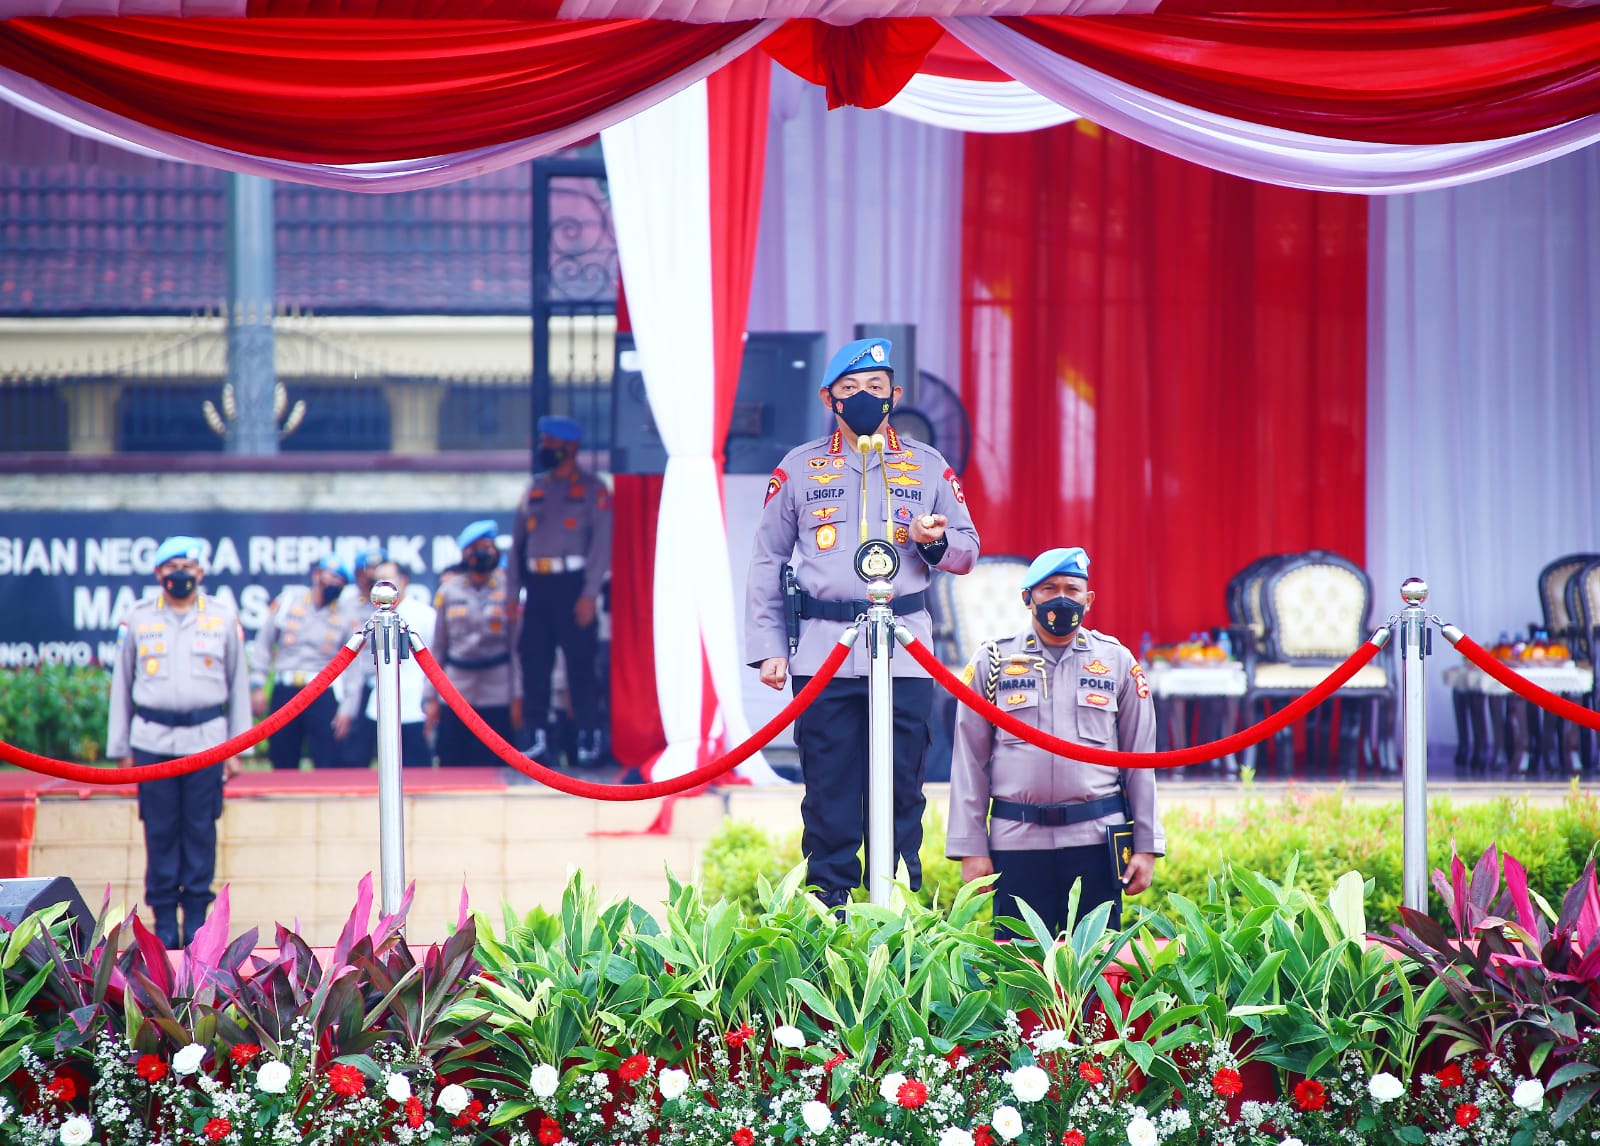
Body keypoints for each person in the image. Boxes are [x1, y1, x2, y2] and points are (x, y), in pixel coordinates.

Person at [745, 336, 979, 909]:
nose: (865, 397)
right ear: (829, 398)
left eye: (876, 387)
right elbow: (768, 558)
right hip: (824, 650)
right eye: (850, 388)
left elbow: (967, 551)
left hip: (905, 651)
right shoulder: (800, 468)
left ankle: (895, 917)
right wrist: (769, 646)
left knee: (900, 792)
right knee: (829, 794)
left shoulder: (927, 465)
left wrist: (934, 540)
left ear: (895, 395)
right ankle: (831, 918)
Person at [946, 546, 1164, 935]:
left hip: (1096, 841)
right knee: (1020, 963)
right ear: (1027, 597)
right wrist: (971, 848)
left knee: (1095, 962)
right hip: (1017, 842)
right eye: (1048, 589)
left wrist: (1146, 845)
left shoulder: (1116, 661)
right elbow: (969, 762)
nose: (1062, 599)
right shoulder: (992, 661)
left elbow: (1140, 761)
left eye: (1072, 589)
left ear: (1088, 599)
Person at [106, 536, 251, 948]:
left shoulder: (222, 617)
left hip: (208, 742)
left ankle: (198, 921)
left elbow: (238, 684)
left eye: (187, 566)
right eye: (171, 567)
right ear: (158, 573)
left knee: (201, 828)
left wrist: (239, 748)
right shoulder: (138, 618)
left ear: (201, 572)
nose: (180, 574)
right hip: (152, 741)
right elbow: (122, 684)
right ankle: (165, 920)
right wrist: (121, 748)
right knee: (160, 829)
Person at [511, 415, 612, 766]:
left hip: (574, 585)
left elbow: (601, 546)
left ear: (571, 447)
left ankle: (588, 736)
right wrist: (512, 593)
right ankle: (537, 736)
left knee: (581, 664)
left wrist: (589, 594)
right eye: (544, 442)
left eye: (551, 443)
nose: (545, 448)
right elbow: (517, 546)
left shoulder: (593, 490)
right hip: (537, 584)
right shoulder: (534, 489)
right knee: (534, 662)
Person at [250, 553, 359, 770]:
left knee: (327, 759)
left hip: (322, 689)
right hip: (286, 687)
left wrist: (348, 708)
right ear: (317, 575)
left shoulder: (346, 614)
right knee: (282, 756)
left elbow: (354, 666)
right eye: (331, 577)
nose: (335, 584)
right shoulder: (288, 602)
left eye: (341, 581)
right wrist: (257, 684)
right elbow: (263, 644)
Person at [427, 519, 522, 766]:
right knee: (452, 761)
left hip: (498, 688)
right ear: (464, 554)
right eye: (475, 548)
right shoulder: (448, 591)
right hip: (457, 687)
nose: (481, 553)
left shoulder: (509, 590)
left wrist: (518, 696)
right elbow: (438, 647)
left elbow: (517, 650)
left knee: (497, 763)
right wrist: (432, 697)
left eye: (487, 547)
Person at [335, 560, 437, 768]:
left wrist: (431, 700)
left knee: (418, 771)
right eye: (377, 580)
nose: (381, 585)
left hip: (414, 704)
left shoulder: (425, 615)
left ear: (403, 581)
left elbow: (436, 662)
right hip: (377, 704)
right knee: (371, 767)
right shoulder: (371, 617)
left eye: (387, 579)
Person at [331, 544, 387, 768]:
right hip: (355, 681)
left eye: (378, 567)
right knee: (353, 750)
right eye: (369, 568)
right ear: (357, 573)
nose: (373, 574)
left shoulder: (392, 598)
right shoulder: (346, 600)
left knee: (389, 746)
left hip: (385, 678)